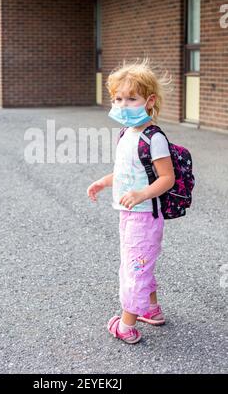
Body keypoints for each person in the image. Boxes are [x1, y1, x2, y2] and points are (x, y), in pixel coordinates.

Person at [87, 58, 175, 344]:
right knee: (140, 263)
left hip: (145, 215)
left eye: (131, 98)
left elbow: (166, 178)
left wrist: (142, 194)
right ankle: (152, 309)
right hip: (129, 213)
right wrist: (103, 181)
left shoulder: (154, 137)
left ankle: (127, 325)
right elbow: (127, 171)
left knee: (135, 268)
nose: (123, 105)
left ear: (149, 100)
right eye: (118, 98)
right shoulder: (127, 133)